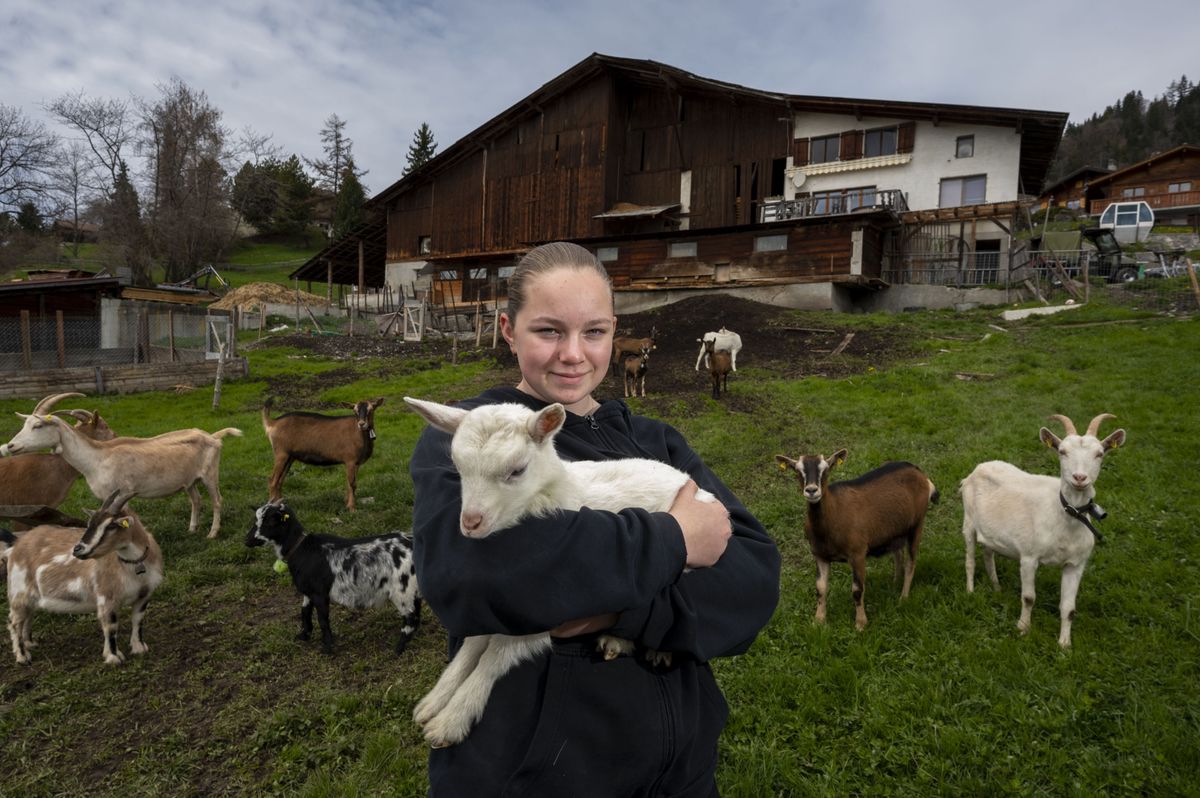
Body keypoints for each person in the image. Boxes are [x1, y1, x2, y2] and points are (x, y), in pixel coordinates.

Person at [409, 241, 781, 797]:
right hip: (541, 778)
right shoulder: (471, 438)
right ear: (508, 330)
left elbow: (752, 575)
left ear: (614, 331)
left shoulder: (657, 442)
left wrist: (610, 610)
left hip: (680, 774)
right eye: (548, 331)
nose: (574, 355)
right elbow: (480, 579)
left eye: (595, 332)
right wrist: (677, 539)